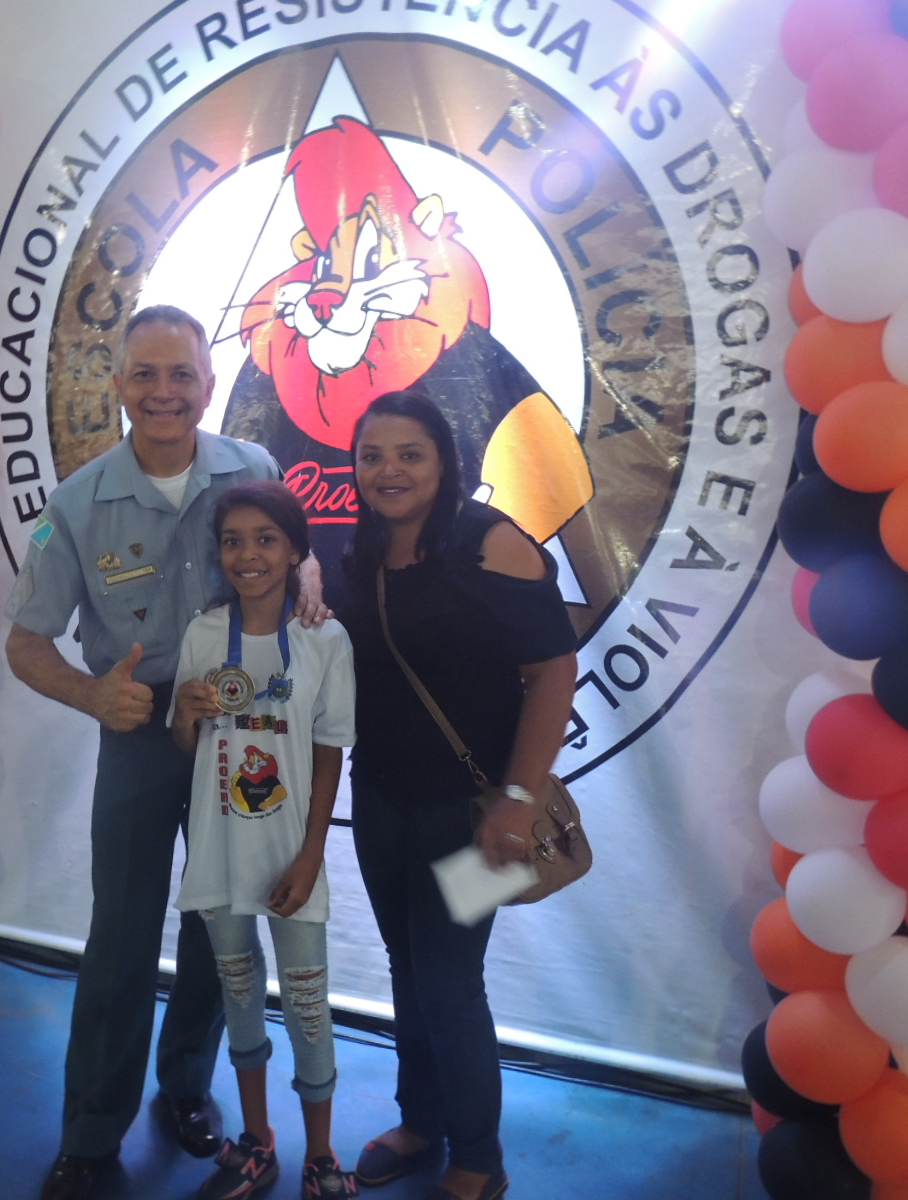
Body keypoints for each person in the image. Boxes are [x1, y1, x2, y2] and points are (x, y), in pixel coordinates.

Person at [4, 305, 325, 1200]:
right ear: (118, 386)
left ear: (208, 385)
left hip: (240, 737)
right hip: (140, 733)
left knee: (220, 924)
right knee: (121, 936)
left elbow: (297, 553)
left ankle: (187, 1086)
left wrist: (307, 571)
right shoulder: (76, 506)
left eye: (181, 374)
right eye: (144, 374)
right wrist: (91, 694)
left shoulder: (253, 470)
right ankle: (89, 1133)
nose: (163, 392)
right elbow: (25, 643)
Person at [333, 391, 576, 1200]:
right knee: (408, 966)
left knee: (448, 978)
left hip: (473, 816)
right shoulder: (361, 548)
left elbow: (553, 672)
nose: (389, 471)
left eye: (410, 454)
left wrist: (519, 798)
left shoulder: (489, 541)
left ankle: (478, 1157)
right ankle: (421, 1121)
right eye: (373, 456)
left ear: (444, 460)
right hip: (382, 799)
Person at [170, 481, 359, 1200]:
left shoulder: (324, 638)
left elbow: (331, 751)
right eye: (233, 541)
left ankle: (321, 1155)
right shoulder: (202, 634)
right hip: (220, 855)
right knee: (240, 996)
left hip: (290, 859)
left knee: (309, 1006)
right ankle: (258, 1140)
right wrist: (185, 714)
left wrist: (313, 856)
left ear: (295, 551)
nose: (247, 555)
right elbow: (188, 745)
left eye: (265, 539)